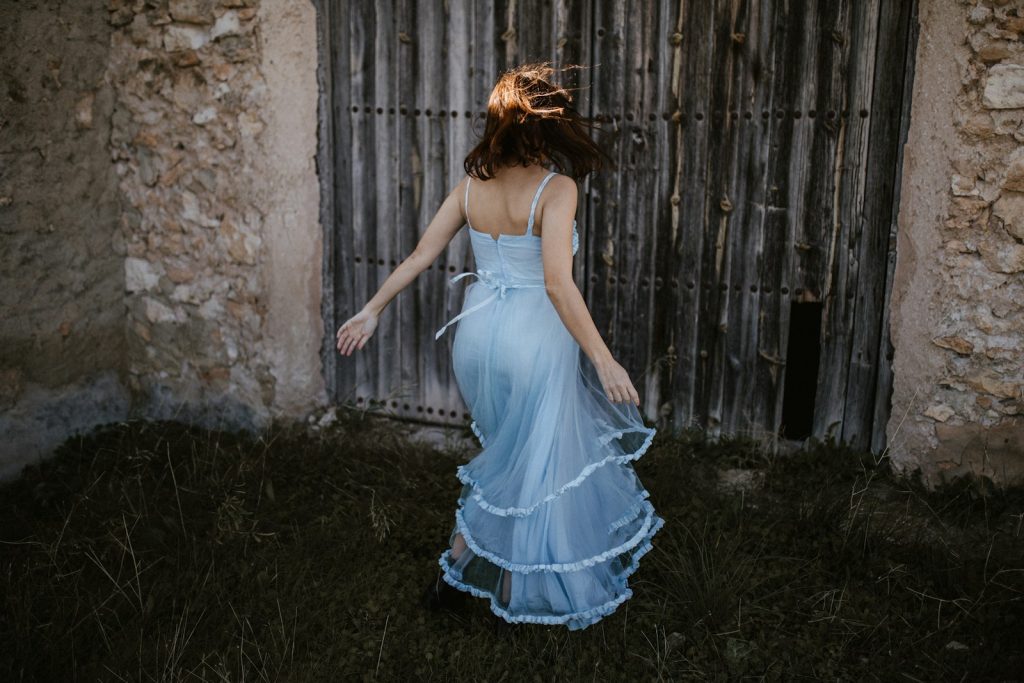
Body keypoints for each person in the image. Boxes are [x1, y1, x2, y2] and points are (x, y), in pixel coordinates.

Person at [335, 62, 664, 631]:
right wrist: (603, 358)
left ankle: (457, 566)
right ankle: (512, 589)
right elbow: (559, 286)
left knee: (505, 457)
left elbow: (419, 257)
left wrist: (372, 309)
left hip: (478, 339)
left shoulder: (471, 188)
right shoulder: (556, 189)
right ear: (545, 128)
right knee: (530, 465)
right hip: (534, 340)